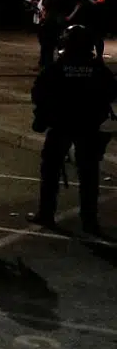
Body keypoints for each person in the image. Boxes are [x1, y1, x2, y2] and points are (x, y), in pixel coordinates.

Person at [29, 24, 117, 235]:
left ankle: (46, 213)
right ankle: (89, 220)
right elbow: (111, 94)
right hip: (88, 126)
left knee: (50, 171)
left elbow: (39, 93)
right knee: (89, 174)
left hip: (61, 124)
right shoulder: (98, 69)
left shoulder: (57, 68)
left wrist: (44, 116)